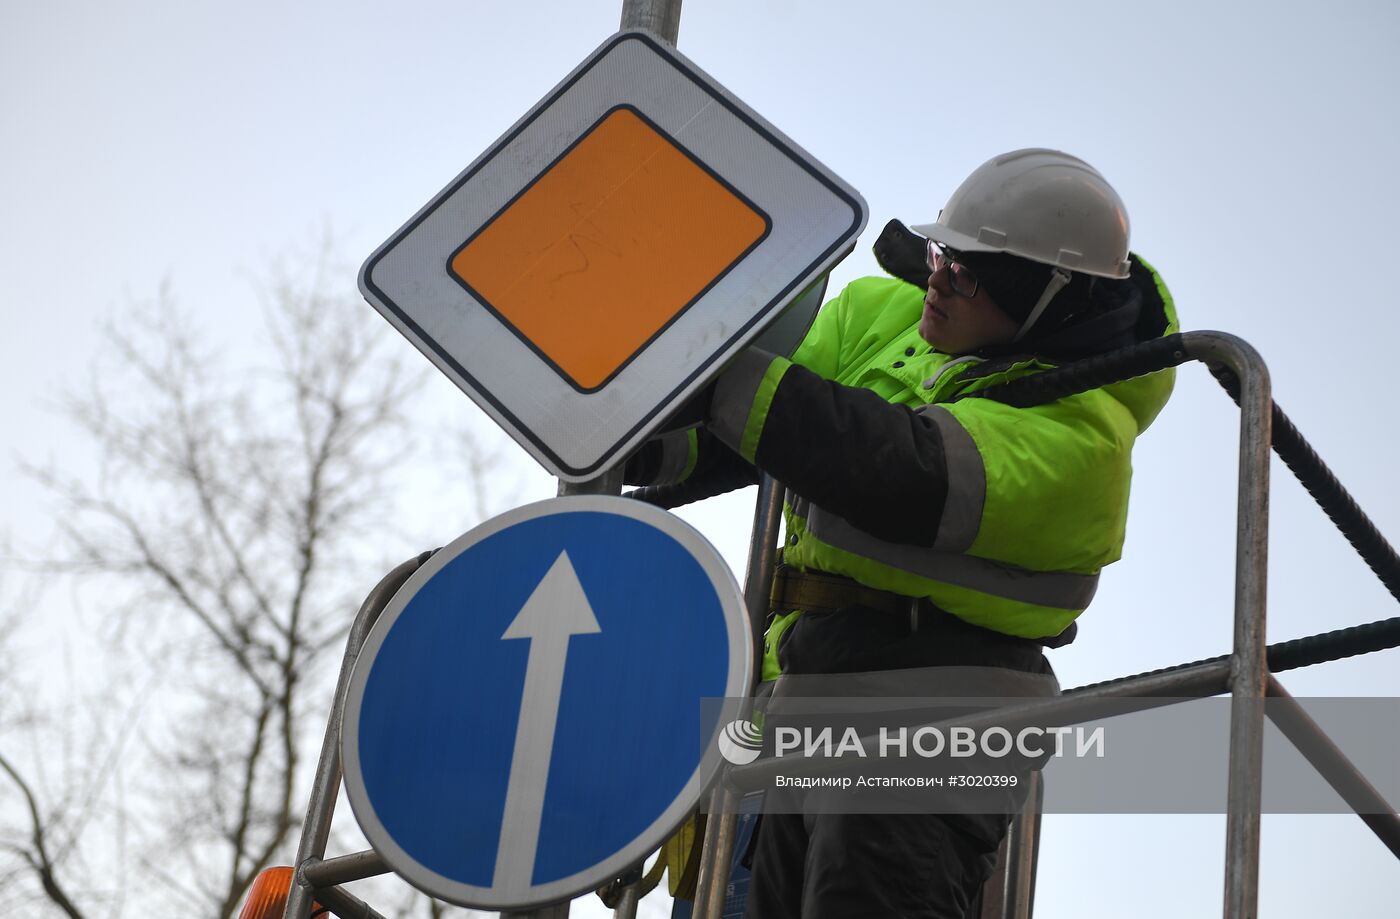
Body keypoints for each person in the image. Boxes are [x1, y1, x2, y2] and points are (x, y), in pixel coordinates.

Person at [627, 148, 1179, 918]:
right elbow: (755, 427)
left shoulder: (1084, 438)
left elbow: (898, 470)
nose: (941, 279)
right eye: (943, 253)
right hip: (800, 699)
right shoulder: (884, 311)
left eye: (973, 272)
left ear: (1043, 302)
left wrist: (717, 376)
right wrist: (646, 438)